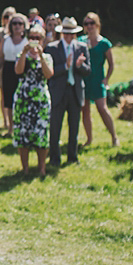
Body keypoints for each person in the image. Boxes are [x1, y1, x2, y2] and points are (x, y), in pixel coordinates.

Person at [46, 17, 90, 167]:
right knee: (55, 127)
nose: (69, 36)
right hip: (58, 91)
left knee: (74, 127)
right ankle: (54, 158)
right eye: (66, 33)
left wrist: (78, 65)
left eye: (71, 33)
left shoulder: (82, 47)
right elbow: (49, 72)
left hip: (75, 91)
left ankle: (72, 156)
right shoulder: (52, 48)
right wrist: (65, 66)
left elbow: (88, 71)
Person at [13, 25, 54, 176]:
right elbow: (18, 71)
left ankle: (41, 168)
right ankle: (25, 168)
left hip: (40, 100)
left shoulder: (48, 57)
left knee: (41, 134)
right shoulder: (21, 55)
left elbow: (49, 75)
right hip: (23, 99)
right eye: (32, 37)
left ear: (43, 40)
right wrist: (24, 53)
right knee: (23, 134)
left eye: (38, 38)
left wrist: (41, 56)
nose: (34, 41)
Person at [80, 12, 118, 147]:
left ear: (97, 25)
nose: (89, 26)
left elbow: (111, 64)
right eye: (86, 24)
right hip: (84, 80)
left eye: (92, 23)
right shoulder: (81, 41)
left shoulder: (104, 43)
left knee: (102, 108)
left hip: (98, 79)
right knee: (85, 110)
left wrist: (106, 79)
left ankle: (114, 137)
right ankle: (89, 139)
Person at [0, 12, 28, 133]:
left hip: (23, 71)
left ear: (24, 25)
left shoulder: (27, 40)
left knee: (22, 99)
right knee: (9, 99)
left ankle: (22, 126)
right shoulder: (6, 39)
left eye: (20, 23)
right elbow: (1, 57)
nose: (17, 26)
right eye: (14, 23)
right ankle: (11, 127)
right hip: (8, 69)